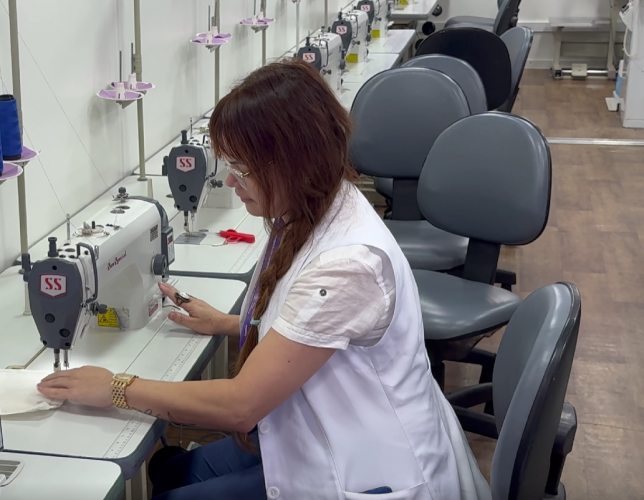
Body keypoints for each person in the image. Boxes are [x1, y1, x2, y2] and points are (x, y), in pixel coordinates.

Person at [37, 58, 491, 500]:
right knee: (173, 470)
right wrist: (233, 323)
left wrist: (116, 387)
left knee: (175, 489)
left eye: (244, 169)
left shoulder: (348, 262)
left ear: (297, 160)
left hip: (364, 465)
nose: (232, 184)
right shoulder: (314, 208)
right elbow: (317, 330)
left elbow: (241, 406)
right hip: (316, 427)